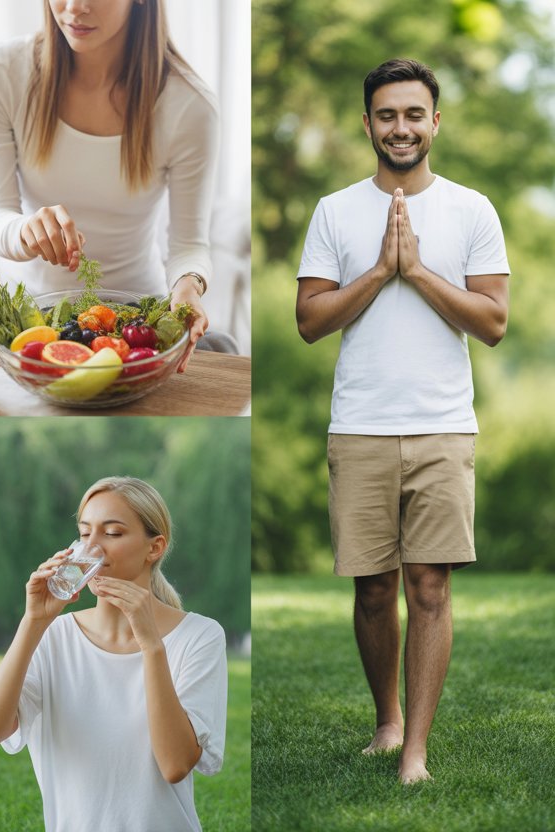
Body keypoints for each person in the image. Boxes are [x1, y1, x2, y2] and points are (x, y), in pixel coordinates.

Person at [295, 58, 509, 784]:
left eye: (414, 114)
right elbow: (309, 321)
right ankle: (386, 722)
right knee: (373, 589)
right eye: (387, 115)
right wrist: (379, 272)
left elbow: (494, 322)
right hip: (358, 427)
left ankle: (415, 750)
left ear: (435, 122)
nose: (401, 128)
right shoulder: (334, 211)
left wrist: (416, 271)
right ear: (367, 125)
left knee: (430, 587)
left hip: (443, 427)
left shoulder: (472, 209)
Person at [0, 0, 220, 369]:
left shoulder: (190, 107)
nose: (75, 7)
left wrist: (187, 287)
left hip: (133, 324)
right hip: (25, 320)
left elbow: (189, 245)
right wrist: (26, 230)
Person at [0, 477, 227, 832]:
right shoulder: (55, 636)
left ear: (154, 548)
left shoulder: (200, 635)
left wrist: (151, 645)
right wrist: (33, 622)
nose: (91, 548)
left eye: (113, 533)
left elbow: (175, 765)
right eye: (84, 532)